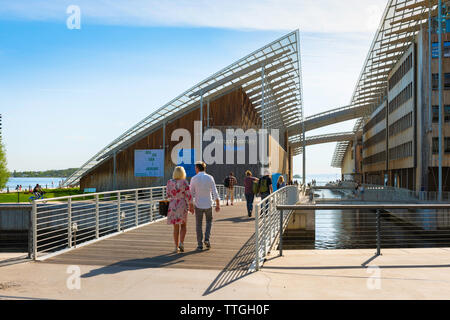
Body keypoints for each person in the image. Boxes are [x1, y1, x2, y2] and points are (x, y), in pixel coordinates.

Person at [190, 161, 220, 251]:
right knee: (209, 222)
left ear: (198, 168)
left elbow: (191, 193)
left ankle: (199, 245)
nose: (195, 169)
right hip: (208, 204)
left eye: (195, 168)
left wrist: (190, 205)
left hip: (198, 204)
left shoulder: (194, 178)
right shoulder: (210, 177)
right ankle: (206, 239)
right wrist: (218, 204)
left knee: (198, 224)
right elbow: (215, 191)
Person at [166, 166, 193, 253]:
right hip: (182, 204)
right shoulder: (184, 182)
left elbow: (167, 195)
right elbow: (188, 195)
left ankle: (175, 247)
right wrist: (191, 205)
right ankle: (181, 243)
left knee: (175, 227)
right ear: (183, 173)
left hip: (173, 204)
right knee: (183, 225)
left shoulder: (169, 182)